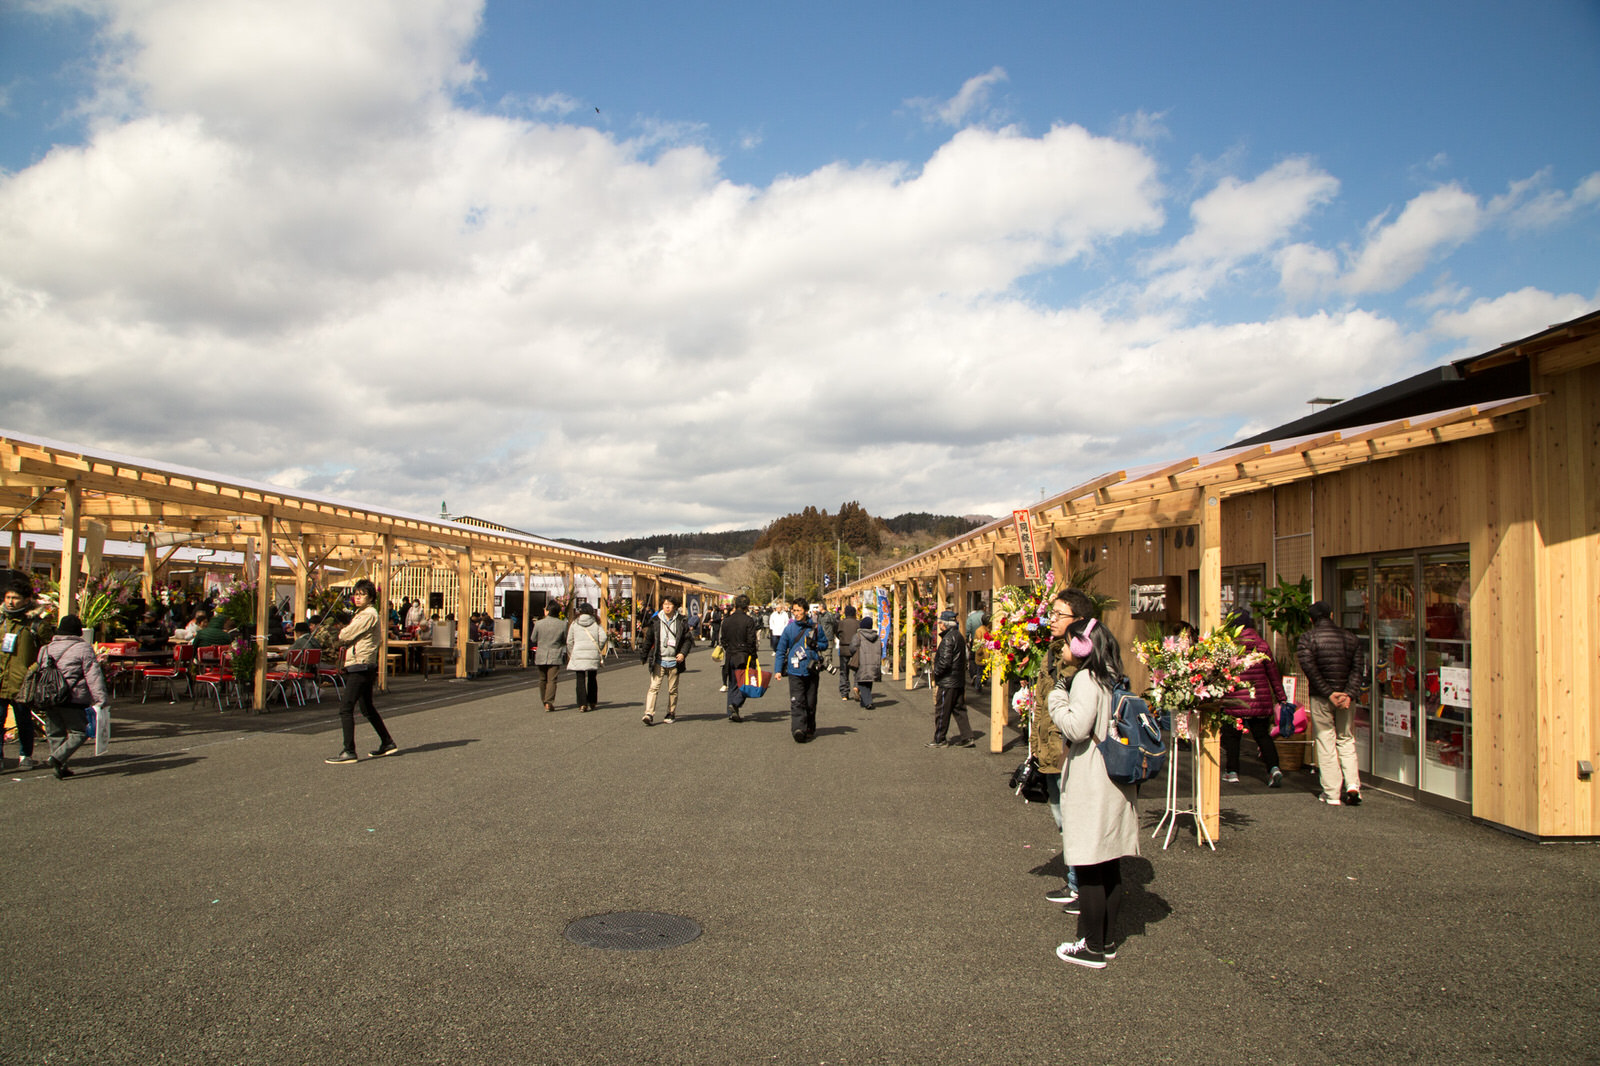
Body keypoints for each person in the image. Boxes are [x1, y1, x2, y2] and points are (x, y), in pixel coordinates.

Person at [1048, 617, 1138, 968]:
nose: (1065, 649)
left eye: (1069, 642)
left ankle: (1092, 946)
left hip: (1092, 780)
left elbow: (1077, 727)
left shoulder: (1087, 678)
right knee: (1109, 864)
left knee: (1087, 864)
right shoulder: (1113, 673)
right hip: (1115, 779)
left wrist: (1057, 699)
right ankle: (1108, 939)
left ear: (1084, 646)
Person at [1036, 587, 1097, 908]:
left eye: (1059, 615)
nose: (1052, 620)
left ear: (1079, 619)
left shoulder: (1083, 657)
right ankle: (1077, 880)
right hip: (1050, 749)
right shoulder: (1054, 651)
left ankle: (1080, 884)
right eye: (1052, 613)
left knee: (1074, 820)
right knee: (1063, 818)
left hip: (1071, 750)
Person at [1297, 600, 1367, 806]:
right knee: (1346, 739)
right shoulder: (1350, 638)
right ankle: (1353, 785)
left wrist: (1329, 694)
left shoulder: (1307, 639)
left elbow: (1310, 670)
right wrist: (1348, 694)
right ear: (1332, 615)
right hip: (1346, 699)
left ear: (1311, 619)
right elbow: (1358, 669)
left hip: (1321, 697)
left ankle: (1332, 793)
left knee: (1325, 741)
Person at [325, 579, 398, 764]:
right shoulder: (363, 613)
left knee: (346, 708)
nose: (357, 598)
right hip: (362, 664)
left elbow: (345, 635)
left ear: (371, 597)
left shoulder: (368, 614)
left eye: (362, 594)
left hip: (361, 664)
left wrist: (342, 631)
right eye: (356, 594)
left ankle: (349, 750)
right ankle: (387, 742)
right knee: (367, 708)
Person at [37, 614, 108, 779]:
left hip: (49, 697)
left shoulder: (45, 649)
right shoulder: (83, 648)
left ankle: (60, 767)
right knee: (80, 732)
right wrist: (101, 699)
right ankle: (57, 758)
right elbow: (93, 675)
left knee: (55, 733)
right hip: (73, 697)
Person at [1221, 607, 1286, 787]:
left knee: (1233, 737)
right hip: (1260, 699)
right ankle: (1274, 769)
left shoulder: (1228, 646)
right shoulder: (1262, 645)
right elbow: (1273, 674)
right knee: (1262, 736)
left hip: (1235, 700)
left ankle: (1232, 771)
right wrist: (1281, 697)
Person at [774, 597, 828, 743]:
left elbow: (825, 644)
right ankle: (798, 729)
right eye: (794, 610)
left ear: (806, 611)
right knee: (797, 701)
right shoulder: (789, 629)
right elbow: (780, 650)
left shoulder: (816, 628)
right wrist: (778, 670)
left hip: (812, 669)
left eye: (798, 610)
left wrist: (816, 644)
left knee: (810, 701)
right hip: (794, 670)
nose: (796, 613)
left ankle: (810, 728)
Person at [1, 582, 39, 771]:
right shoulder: (1, 621)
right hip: (1, 680)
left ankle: (25, 755)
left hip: (22, 682)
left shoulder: (35, 623)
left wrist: (33, 670)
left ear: (26, 600)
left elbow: (46, 651)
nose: (10, 602)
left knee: (23, 721)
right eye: (8, 597)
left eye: (15, 598)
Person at [640, 595, 692, 725]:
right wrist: (644, 655)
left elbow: (687, 639)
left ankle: (671, 712)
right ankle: (649, 713)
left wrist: (683, 653)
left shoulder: (681, 621)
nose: (667, 607)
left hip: (674, 660)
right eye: (665, 604)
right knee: (653, 687)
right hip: (659, 659)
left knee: (672, 689)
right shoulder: (656, 620)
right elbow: (649, 639)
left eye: (669, 604)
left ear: (674, 606)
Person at [929, 610, 974, 747]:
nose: (939, 625)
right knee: (959, 708)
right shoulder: (958, 636)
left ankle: (940, 739)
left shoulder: (948, 639)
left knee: (942, 710)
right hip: (958, 679)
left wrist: (936, 672)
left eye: (940, 623)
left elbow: (945, 662)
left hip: (948, 681)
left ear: (944, 624)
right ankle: (967, 736)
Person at [719, 595, 759, 722]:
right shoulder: (748, 621)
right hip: (743, 655)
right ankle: (735, 704)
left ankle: (730, 711)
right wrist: (753, 656)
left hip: (730, 654)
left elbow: (723, 640)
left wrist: (728, 649)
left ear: (735, 605)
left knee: (732, 683)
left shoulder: (727, 620)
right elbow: (751, 641)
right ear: (747, 606)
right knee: (745, 683)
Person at [565, 602, 608, 711]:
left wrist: (571, 652)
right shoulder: (596, 623)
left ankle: (582, 704)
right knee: (592, 678)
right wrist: (598, 648)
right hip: (592, 653)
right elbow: (603, 637)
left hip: (578, 653)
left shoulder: (574, 623)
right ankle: (592, 702)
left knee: (580, 679)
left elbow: (569, 641)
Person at [531, 602, 568, 712]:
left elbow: (533, 639)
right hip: (555, 653)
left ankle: (544, 700)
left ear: (548, 611)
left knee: (542, 679)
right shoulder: (562, 624)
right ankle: (549, 701)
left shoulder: (539, 623)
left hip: (541, 653)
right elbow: (564, 639)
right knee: (552, 680)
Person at [849, 616, 881, 708]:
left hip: (862, 662)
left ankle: (868, 702)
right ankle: (864, 701)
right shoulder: (877, 637)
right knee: (869, 681)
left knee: (862, 682)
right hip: (874, 663)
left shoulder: (858, 636)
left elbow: (852, 648)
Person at [835, 605, 860, 701]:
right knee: (857, 669)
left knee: (843, 671)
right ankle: (856, 686)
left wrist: (841, 638)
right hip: (856, 649)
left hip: (844, 648)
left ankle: (844, 693)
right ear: (854, 613)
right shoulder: (858, 623)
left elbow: (836, 632)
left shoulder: (841, 623)